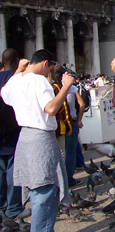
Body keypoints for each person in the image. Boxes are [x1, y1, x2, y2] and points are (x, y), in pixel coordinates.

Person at [2, 49, 74, 231]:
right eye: (49, 68)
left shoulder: (16, 80)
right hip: (41, 139)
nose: (48, 73)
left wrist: (19, 70)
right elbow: (50, 108)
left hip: (24, 138)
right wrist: (65, 87)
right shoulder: (39, 80)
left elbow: (4, 93)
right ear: (44, 63)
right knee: (46, 189)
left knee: (35, 189)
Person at [0, 49, 26, 220]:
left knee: (1, 172)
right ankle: (14, 207)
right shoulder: (18, 81)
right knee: (13, 171)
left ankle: (1, 206)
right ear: (17, 61)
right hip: (14, 131)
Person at [53, 65, 86, 188]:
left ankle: (59, 179)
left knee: (60, 151)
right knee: (70, 151)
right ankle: (69, 178)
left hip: (57, 122)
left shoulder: (53, 88)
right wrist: (79, 119)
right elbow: (81, 104)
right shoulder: (71, 88)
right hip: (71, 121)